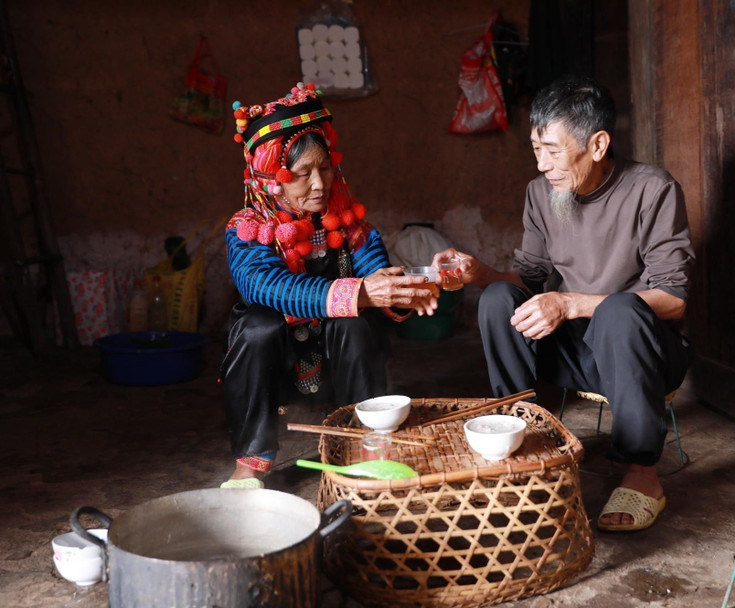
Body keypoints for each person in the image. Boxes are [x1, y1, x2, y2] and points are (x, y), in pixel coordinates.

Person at [432, 76, 694, 531]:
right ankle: (521, 444)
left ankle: (642, 475)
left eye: (552, 150)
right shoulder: (542, 193)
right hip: (577, 352)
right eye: (536, 149)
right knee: (497, 299)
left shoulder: (653, 189)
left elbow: (673, 300)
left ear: (597, 144)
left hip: (642, 354)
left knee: (619, 310)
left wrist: (571, 302)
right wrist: (480, 274)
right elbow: (529, 281)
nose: (542, 164)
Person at [220, 83, 438, 489]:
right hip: (277, 363)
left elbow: (376, 280)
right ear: (272, 181)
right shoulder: (249, 229)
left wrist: (408, 288)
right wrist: (356, 293)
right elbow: (261, 285)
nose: (319, 183)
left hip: (338, 362)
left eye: (325, 168)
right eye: (302, 174)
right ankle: (249, 463)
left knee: (357, 321)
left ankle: (363, 443)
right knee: (257, 325)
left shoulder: (351, 225)